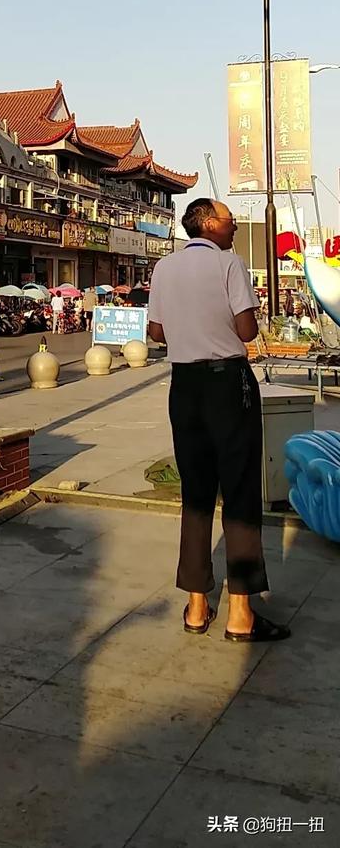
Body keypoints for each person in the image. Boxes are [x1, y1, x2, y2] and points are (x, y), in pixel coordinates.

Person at [148, 198, 289, 645]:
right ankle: (241, 613)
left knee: (196, 494)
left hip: (184, 386)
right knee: (240, 491)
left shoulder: (164, 267)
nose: (233, 228)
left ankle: (196, 605)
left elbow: (156, 332)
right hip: (227, 382)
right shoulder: (230, 264)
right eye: (229, 221)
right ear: (209, 223)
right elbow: (247, 331)